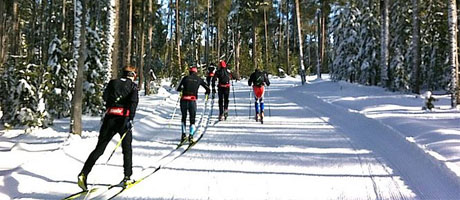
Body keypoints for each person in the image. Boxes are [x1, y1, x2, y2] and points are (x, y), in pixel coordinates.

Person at [77, 66, 139, 191]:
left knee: (99, 149)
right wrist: (131, 118)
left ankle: (84, 173)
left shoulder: (112, 83)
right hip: (124, 119)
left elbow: (105, 97)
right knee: (127, 149)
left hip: (109, 118)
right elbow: (133, 102)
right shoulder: (133, 87)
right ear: (132, 75)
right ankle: (127, 177)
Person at [177, 65, 210, 143]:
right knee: (192, 119)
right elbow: (207, 88)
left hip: (184, 100)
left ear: (189, 72)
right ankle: (191, 136)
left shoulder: (185, 78)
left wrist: (182, 89)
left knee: (184, 117)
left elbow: (178, 88)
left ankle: (183, 135)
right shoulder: (199, 79)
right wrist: (207, 92)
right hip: (192, 100)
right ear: (196, 72)